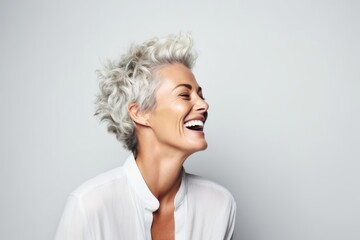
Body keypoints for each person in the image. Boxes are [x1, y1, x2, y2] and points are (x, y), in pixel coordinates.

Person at [54, 33, 236, 240]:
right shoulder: (89, 205)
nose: (204, 105)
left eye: (200, 95)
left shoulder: (219, 205)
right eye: (185, 95)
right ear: (140, 112)